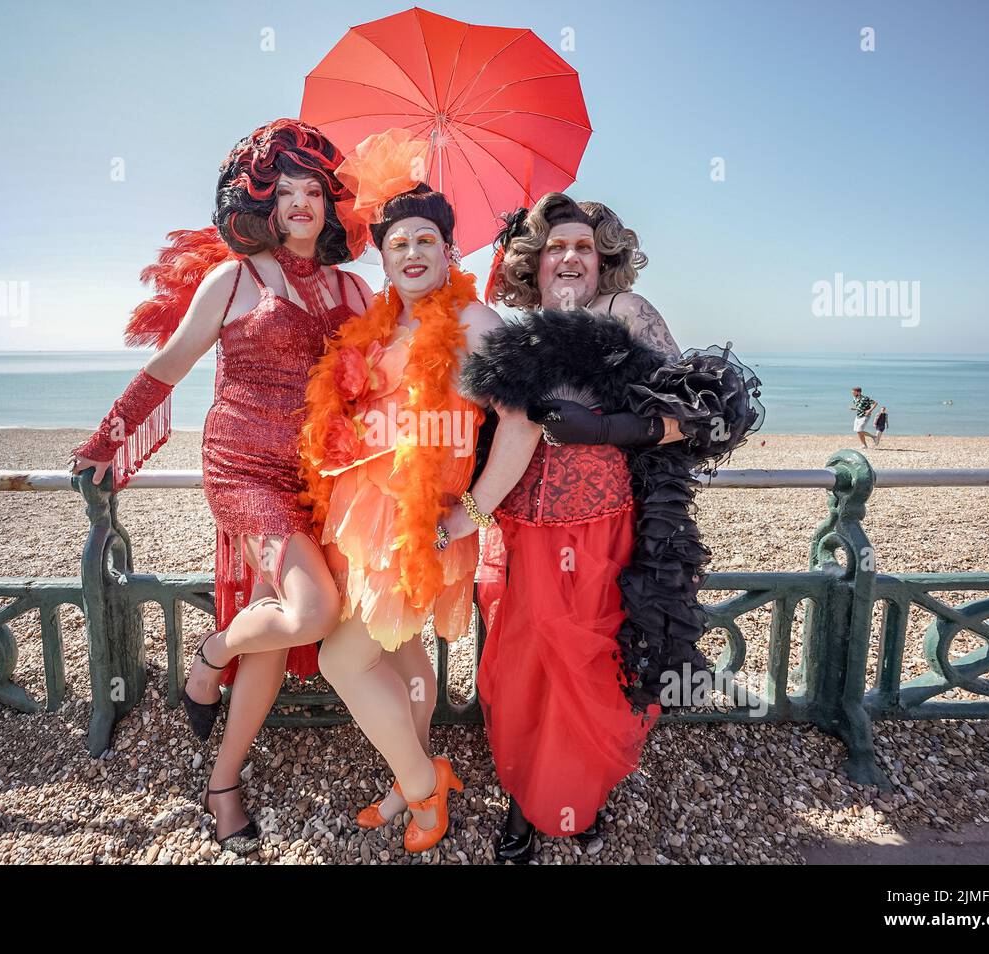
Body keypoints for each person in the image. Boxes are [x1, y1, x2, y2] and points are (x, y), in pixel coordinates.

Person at [69, 119, 370, 855]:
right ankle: (208, 660)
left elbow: (390, 382)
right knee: (313, 608)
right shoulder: (232, 278)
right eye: (286, 189)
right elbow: (171, 364)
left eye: (315, 191)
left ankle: (223, 781)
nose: (302, 203)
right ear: (261, 199)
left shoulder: (356, 289)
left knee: (274, 624)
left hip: (320, 475)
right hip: (243, 470)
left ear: (331, 206)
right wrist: (108, 437)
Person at [463, 192, 763, 862]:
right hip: (514, 529)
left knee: (589, 668)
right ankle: (525, 792)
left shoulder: (624, 313)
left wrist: (605, 428)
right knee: (519, 666)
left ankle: (575, 794)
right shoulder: (517, 329)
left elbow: (709, 413)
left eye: (583, 248)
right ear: (532, 262)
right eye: (555, 247)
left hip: (601, 529)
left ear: (604, 262)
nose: (569, 257)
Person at [299, 130, 543, 854]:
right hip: (360, 517)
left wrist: (475, 513)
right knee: (403, 664)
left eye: (426, 240)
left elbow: (523, 419)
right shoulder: (377, 326)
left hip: (420, 526)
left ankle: (421, 789)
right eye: (398, 242)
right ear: (383, 257)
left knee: (343, 659)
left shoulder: (473, 322)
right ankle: (412, 769)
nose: (412, 253)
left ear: (448, 251)